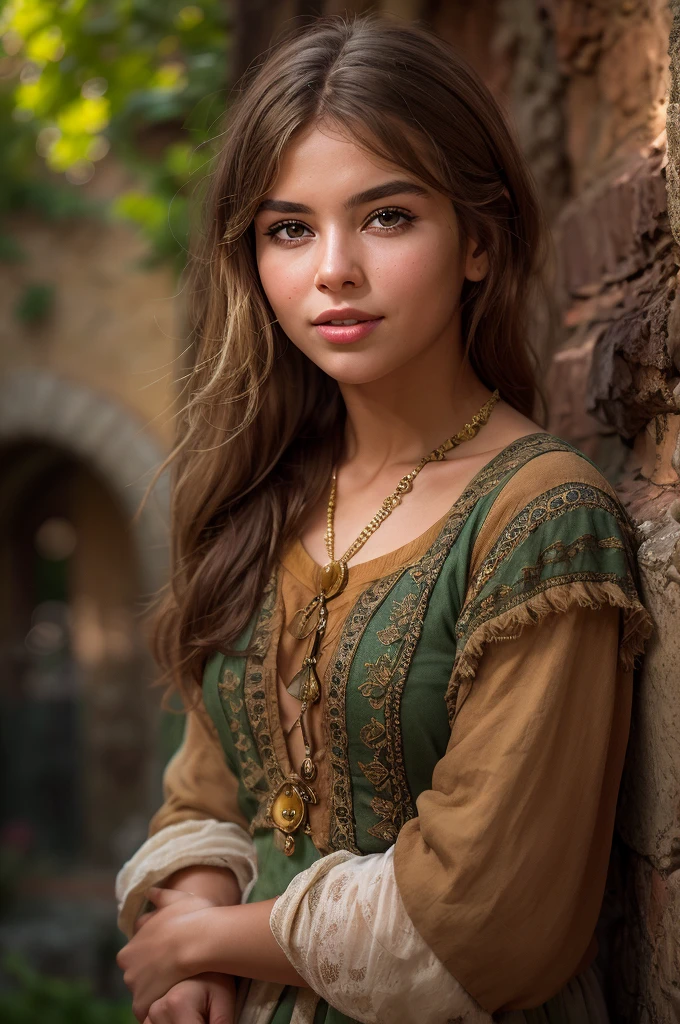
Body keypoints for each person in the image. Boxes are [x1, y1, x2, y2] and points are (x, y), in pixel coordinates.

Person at [114, 13, 653, 1024]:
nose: (332, 271)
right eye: (289, 229)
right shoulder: (266, 493)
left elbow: (489, 919)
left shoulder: (539, 517)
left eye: (386, 217)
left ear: (479, 244)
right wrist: (190, 941)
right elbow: (203, 789)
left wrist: (208, 939)